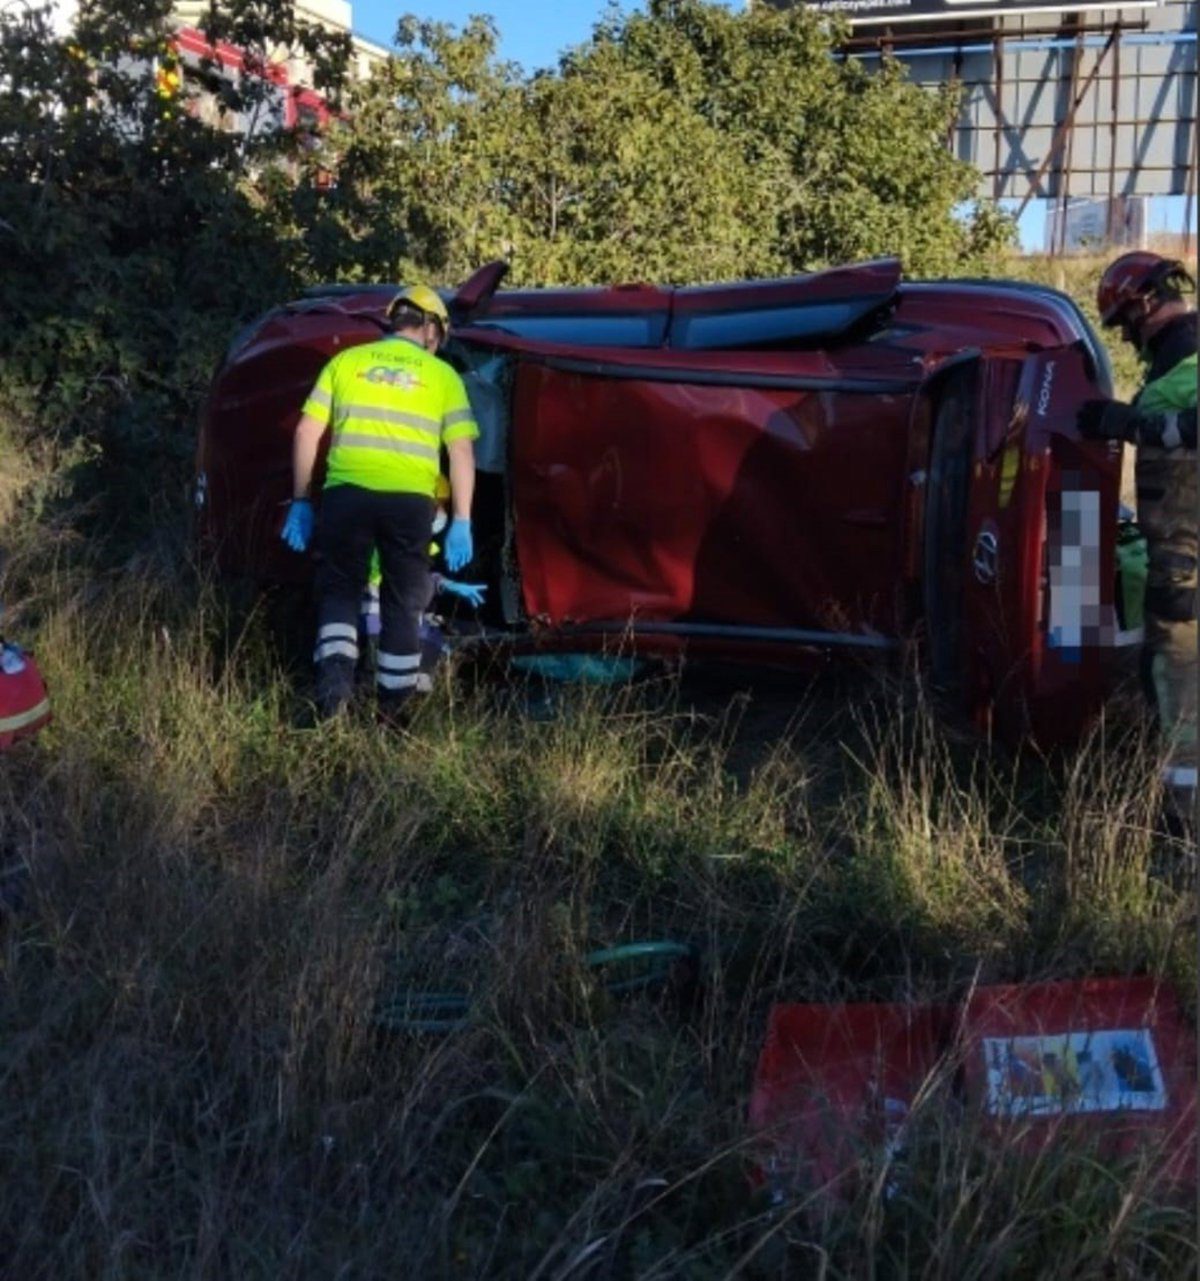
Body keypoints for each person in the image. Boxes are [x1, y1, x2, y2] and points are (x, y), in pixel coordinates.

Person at [280, 284, 479, 719]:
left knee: (339, 593)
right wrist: (461, 518)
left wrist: (300, 500)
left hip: (345, 495)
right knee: (403, 602)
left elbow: (305, 433)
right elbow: (461, 452)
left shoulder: (346, 362)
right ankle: (393, 710)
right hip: (409, 504)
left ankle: (333, 699)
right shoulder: (442, 376)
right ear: (429, 328)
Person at [1076, 251, 1197, 824]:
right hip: (1172, 553)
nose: (1127, 338)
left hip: (1189, 560)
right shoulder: (1172, 365)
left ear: (1147, 302)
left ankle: (1183, 816)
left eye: (1125, 324)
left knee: (1180, 674)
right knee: (1163, 670)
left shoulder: (1193, 354)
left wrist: (1133, 424)